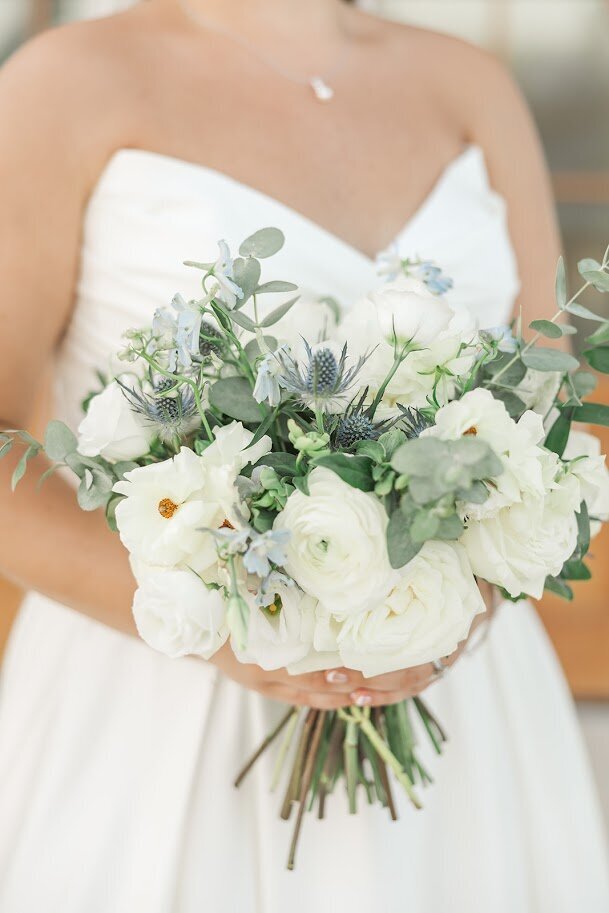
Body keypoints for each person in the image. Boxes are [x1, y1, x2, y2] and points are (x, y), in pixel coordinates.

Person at [0, 1, 607, 910]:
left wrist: (457, 596)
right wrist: (228, 623)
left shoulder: (468, 85)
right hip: (156, 698)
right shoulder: (63, 82)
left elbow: (542, 413)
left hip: (457, 683)